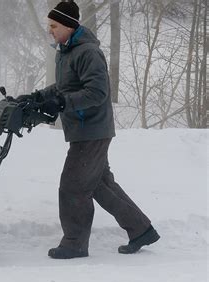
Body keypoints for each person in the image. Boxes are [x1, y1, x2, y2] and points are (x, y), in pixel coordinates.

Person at [17, 0, 159, 259]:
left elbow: (97, 92)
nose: (50, 30)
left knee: (72, 186)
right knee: (100, 185)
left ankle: (74, 243)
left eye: (54, 25)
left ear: (69, 26)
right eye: (49, 25)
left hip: (91, 130)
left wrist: (63, 102)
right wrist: (34, 97)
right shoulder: (67, 51)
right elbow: (64, 88)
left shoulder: (87, 52)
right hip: (84, 129)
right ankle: (141, 229)